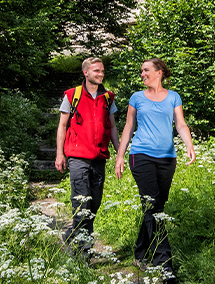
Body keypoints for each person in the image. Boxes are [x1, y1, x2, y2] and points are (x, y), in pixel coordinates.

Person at [115, 58, 195, 283]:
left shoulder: (173, 97)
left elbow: (180, 123)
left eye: (146, 70)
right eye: (141, 70)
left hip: (168, 158)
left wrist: (189, 145)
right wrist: (120, 155)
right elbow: (129, 127)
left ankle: (140, 252)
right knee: (152, 205)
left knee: (156, 206)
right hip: (141, 156)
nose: (142, 74)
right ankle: (165, 264)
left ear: (159, 73)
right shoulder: (136, 98)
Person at [56, 57, 120, 257]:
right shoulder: (72, 95)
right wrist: (60, 154)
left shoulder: (108, 97)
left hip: (99, 158)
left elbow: (113, 127)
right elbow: (62, 126)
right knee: (82, 204)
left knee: (94, 203)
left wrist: (120, 154)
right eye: (96, 71)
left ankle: (70, 234)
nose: (101, 74)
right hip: (77, 158)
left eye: (102, 71)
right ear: (86, 72)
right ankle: (84, 252)